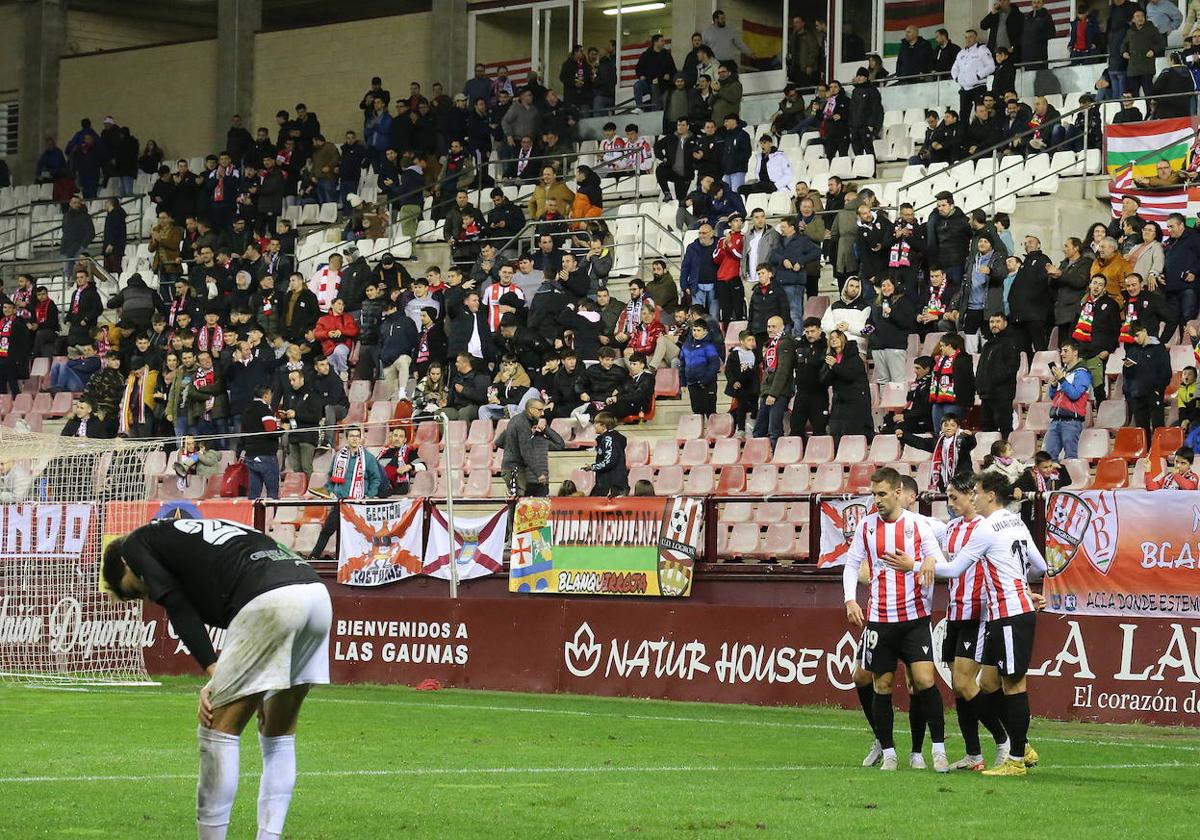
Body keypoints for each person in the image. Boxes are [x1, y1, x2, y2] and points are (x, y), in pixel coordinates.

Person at [102, 517, 331, 839]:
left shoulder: (134, 544)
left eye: (135, 591)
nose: (147, 596)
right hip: (315, 594)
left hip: (270, 598)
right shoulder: (192, 540)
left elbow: (177, 605)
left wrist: (213, 671)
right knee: (278, 733)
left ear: (125, 566)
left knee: (216, 729)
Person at [913, 471, 1046, 777]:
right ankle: (1020, 746)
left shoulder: (985, 528)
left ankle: (1015, 758)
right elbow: (1039, 565)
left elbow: (957, 568)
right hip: (1008, 611)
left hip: (1009, 612)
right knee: (988, 684)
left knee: (1014, 684)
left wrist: (916, 565)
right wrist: (1022, 584)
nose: (973, 497)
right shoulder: (1016, 522)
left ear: (989, 495)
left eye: (976, 492)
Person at [842, 467, 945, 773]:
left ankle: (937, 749)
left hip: (914, 617)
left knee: (925, 680)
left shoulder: (918, 524)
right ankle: (888, 751)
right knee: (880, 684)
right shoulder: (866, 526)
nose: (877, 501)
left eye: (882, 494)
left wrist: (927, 560)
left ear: (898, 493)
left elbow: (938, 559)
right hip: (879, 619)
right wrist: (850, 599)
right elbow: (851, 565)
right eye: (874, 495)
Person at [309, 426, 384, 560]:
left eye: (357, 436)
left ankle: (353, 559)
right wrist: (331, 491)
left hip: (358, 504)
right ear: (347, 438)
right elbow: (331, 476)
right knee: (327, 530)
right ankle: (314, 556)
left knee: (354, 534)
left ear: (361, 438)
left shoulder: (368, 458)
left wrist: (369, 495)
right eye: (352, 436)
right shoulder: (339, 456)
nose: (355, 439)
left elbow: (376, 479)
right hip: (340, 501)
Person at [499, 398, 564, 497]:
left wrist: (545, 428)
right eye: (540, 410)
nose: (542, 413)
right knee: (518, 503)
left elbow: (560, 444)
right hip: (521, 473)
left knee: (520, 503)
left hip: (528, 475)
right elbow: (526, 452)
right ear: (531, 410)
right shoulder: (522, 424)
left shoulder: (541, 441)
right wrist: (538, 473)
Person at [822, 328, 873, 445]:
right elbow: (824, 380)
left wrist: (834, 366)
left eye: (837, 337)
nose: (833, 340)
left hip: (854, 401)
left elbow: (850, 375)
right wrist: (830, 369)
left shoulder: (854, 357)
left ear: (843, 339)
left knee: (852, 433)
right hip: (839, 401)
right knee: (836, 432)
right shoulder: (830, 358)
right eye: (831, 338)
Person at [1123, 320, 1172, 442]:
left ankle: (1158, 455)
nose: (1135, 339)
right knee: (1142, 430)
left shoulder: (1159, 348)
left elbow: (1166, 372)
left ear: (1144, 331)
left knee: (1158, 426)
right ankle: (1146, 456)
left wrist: (1158, 390)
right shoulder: (1133, 350)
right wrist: (1127, 368)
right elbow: (1127, 374)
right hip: (1137, 395)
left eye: (1137, 335)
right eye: (1133, 337)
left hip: (1154, 394)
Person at [976, 312, 1021, 439]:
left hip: (1002, 394)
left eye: (997, 321)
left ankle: (1006, 456)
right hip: (986, 394)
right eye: (991, 322)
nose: (994, 324)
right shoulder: (988, 344)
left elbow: (1012, 367)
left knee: (1004, 427)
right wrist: (980, 384)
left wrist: (994, 380)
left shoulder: (1010, 341)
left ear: (1005, 323)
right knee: (986, 429)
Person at [1045, 340, 1091, 460]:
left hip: (1071, 422)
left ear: (1075, 353)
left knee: (1071, 458)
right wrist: (1054, 385)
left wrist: (1062, 380)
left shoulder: (1082, 373)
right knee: (1048, 458)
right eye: (1061, 351)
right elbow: (1052, 396)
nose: (1062, 354)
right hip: (1055, 420)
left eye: (1066, 351)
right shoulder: (1063, 371)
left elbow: (1074, 395)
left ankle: (1073, 479)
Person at [753, 315, 795, 446]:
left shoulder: (785, 342)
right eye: (768, 326)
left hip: (778, 392)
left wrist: (773, 393)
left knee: (774, 430)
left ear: (782, 327)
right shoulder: (773, 343)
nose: (770, 329)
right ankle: (760, 459)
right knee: (759, 430)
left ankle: (779, 459)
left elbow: (783, 370)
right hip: (768, 391)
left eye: (773, 326)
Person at [240, 384, 282, 499]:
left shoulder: (247, 410)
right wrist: (284, 429)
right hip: (265, 455)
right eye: (270, 395)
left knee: (254, 492)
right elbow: (272, 432)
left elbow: (242, 432)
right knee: (272, 491)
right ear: (265, 395)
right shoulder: (264, 410)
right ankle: (272, 516)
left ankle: (253, 516)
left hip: (250, 455)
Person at [929, 333, 975, 430]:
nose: (940, 348)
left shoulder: (963, 358)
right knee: (938, 431)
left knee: (951, 431)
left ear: (949, 345)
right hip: (938, 401)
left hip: (956, 402)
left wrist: (969, 402)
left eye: (942, 346)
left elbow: (969, 381)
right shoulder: (940, 360)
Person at [951, 29, 995, 122]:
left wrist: (978, 76)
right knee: (963, 114)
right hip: (964, 89)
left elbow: (991, 66)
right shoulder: (961, 53)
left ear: (976, 37)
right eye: (966, 37)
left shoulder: (982, 49)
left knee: (980, 112)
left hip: (978, 87)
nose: (968, 39)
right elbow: (954, 68)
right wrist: (957, 78)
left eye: (970, 37)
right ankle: (964, 135)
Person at [680, 320, 721, 416]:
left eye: (699, 330)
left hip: (707, 385)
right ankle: (699, 431)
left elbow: (715, 365)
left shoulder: (709, 346)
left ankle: (712, 431)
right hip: (692, 384)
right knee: (697, 412)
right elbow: (682, 364)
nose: (696, 333)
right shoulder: (686, 346)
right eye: (694, 330)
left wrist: (704, 380)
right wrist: (683, 382)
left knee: (710, 412)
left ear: (705, 332)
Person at [585, 412, 629, 497]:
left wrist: (593, 467)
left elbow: (610, 461)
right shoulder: (608, 438)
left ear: (603, 426)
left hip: (612, 486)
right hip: (611, 484)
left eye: (596, 423)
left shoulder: (609, 439)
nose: (594, 425)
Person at [378, 426, 425, 496]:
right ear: (391, 437)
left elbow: (423, 466)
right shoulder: (384, 453)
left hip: (399, 487)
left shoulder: (410, 452)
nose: (397, 439)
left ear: (405, 440)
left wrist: (410, 466)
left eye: (401, 436)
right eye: (395, 436)